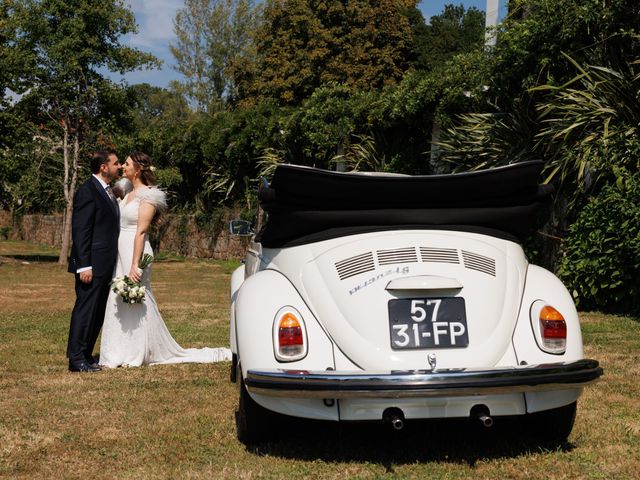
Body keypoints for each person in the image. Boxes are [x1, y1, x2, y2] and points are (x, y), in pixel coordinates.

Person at [99, 152, 231, 367]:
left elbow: (141, 231)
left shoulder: (149, 195)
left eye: (127, 163)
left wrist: (135, 264)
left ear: (139, 169)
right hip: (120, 251)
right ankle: (118, 351)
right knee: (119, 297)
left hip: (137, 251)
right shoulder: (126, 191)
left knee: (137, 296)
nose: (123, 166)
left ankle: (137, 351)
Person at [67, 150, 120, 372]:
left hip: (105, 264)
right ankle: (76, 358)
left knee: (97, 311)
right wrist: (84, 265)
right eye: (116, 163)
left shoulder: (107, 191)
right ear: (103, 167)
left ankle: (87, 355)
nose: (119, 166)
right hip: (92, 264)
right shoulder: (88, 191)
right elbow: (81, 232)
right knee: (85, 309)